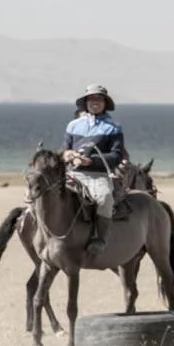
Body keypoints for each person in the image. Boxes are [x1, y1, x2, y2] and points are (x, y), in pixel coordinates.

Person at [62, 84, 125, 255]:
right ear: (85, 103)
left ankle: (100, 238)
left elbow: (116, 156)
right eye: (91, 99)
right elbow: (65, 149)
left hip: (98, 175)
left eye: (99, 99)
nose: (95, 102)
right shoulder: (73, 125)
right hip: (72, 174)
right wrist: (68, 155)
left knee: (105, 199)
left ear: (105, 103)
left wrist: (91, 161)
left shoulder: (114, 127)